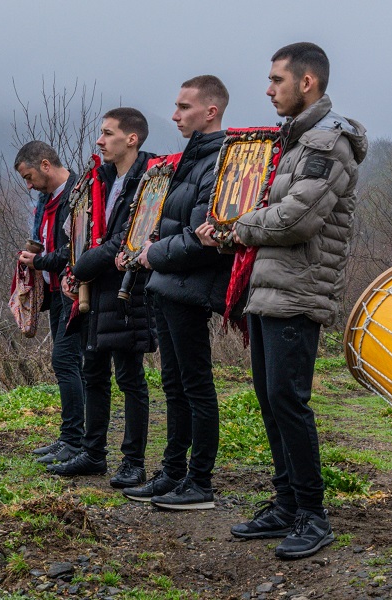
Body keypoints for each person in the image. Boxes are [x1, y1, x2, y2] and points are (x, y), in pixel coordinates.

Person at [199, 42, 367, 559]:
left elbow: (298, 219)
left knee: (289, 403)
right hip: (271, 290)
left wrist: (233, 231)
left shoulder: (326, 143)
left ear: (307, 82)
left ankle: (313, 516)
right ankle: (286, 505)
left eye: (277, 80)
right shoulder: (295, 142)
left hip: (299, 292)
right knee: (272, 403)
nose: (269, 89)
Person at [121, 75, 233, 510]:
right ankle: (172, 473)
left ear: (210, 111)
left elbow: (205, 236)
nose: (174, 115)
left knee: (196, 386)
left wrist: (153, 255)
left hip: (189, 287)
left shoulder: (218, 162)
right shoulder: (188, 158)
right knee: (173, 384)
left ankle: (199, 482)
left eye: (184, 107)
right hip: (166, 286)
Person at [47, 108, 157, 482]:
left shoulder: (151, 178)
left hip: (129, 292)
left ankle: (134, 463)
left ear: (132, 139)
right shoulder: (99, 178)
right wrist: (69, 271)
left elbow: (122, 242)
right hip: (93, 293)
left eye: (108, 133)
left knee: (129, 378)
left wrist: (77, 270)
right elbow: (77, 236)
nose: (99, 140)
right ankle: (93, 453)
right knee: (93, 373)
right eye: (100, 132)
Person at [15, 141, 85, 465]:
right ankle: (69, 438)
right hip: (56, 294)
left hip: (75, 294)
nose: (28, 185)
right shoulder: (45, 202)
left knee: (64, 361)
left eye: (29, 177)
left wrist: (38, 261)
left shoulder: (76, 195)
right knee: (67, 364)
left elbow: (73, 250)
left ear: (45, 165)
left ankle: (75, 441)